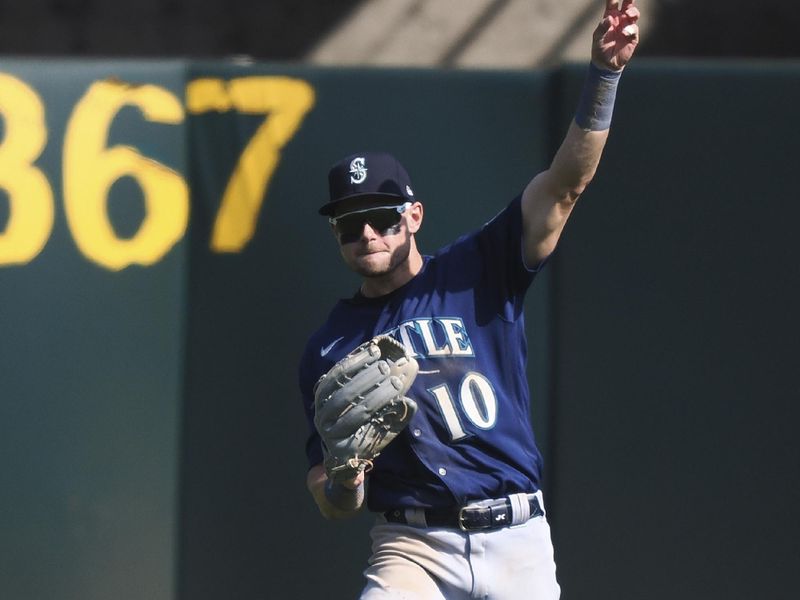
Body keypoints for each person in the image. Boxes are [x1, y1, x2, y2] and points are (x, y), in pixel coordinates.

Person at [298, 1, 640, 598]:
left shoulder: (476, 269)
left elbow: (565, 188)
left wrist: (603, 76)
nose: (368, 234)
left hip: (516, 535)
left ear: (414, 215)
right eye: (350, 225)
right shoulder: (329, 345)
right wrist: (346, 479)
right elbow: (331, 501)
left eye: (380, 215)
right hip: (411, 546)